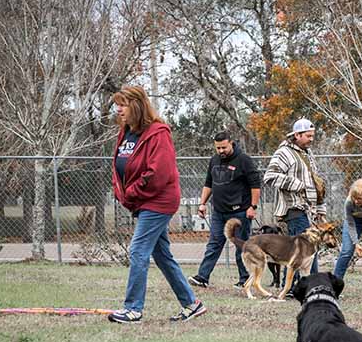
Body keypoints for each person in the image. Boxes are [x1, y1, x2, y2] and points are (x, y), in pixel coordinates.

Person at [108, 85, 206, 323]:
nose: (118, 109)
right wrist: (121, 191)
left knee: (138, 250)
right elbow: (118, 165)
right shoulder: (126, 132)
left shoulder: (158, 132)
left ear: (137, 105)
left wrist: (131, 192)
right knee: (162, 255)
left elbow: (158, 174)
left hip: (158, 200)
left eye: (123, 104)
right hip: (141, 201)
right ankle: (191, 304)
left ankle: (133, 308)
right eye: (117, 104)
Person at [187, 132, 261, 290]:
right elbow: (208, 184)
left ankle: (245, 279)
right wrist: (202, 203)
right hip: (219, 212)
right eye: (218, 148)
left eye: (223, 147)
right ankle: (202, 277)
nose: (221, 151)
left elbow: (255, 185)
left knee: (241, 246)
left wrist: (252, 207)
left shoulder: (244, 160)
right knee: (214, 244)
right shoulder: (214, 160)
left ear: (231, 143)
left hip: (240, 211)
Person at [263, 118, 327, 288]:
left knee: (301, 251)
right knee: (307, 249)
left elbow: (316, 182)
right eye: (308, 136)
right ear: (297, 135)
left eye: (313, 135)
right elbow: (269, 176)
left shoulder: (307, 153)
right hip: (294, 208)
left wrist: (321, 209)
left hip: (310, 210)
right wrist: (296, 184)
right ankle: (313, 285)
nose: (311, 139)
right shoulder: (284, 152)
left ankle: (291, 287)